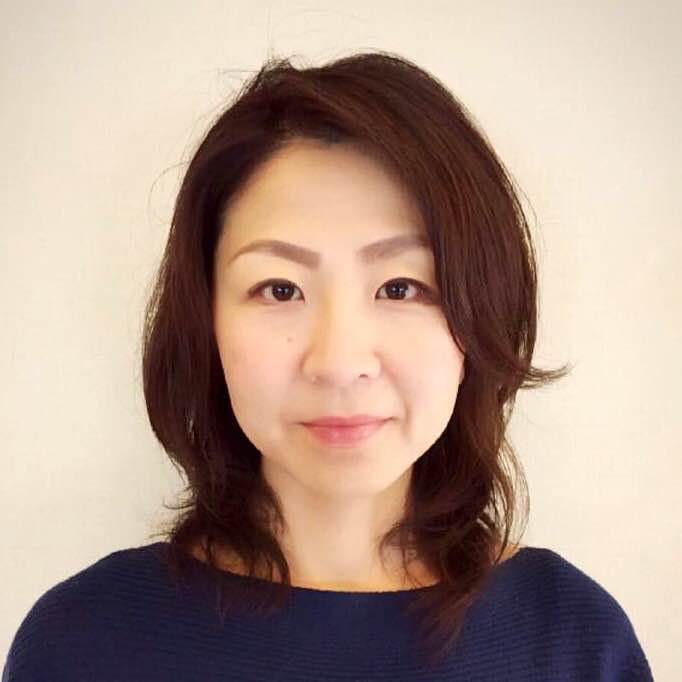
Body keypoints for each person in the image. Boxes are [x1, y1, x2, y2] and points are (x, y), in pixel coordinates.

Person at [3, 50, 653, 680]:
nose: (340, 363)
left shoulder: (575, 642)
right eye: (280, 289)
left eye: (400, 287)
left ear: (478, 317)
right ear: (205, 322)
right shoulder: (81, 644)